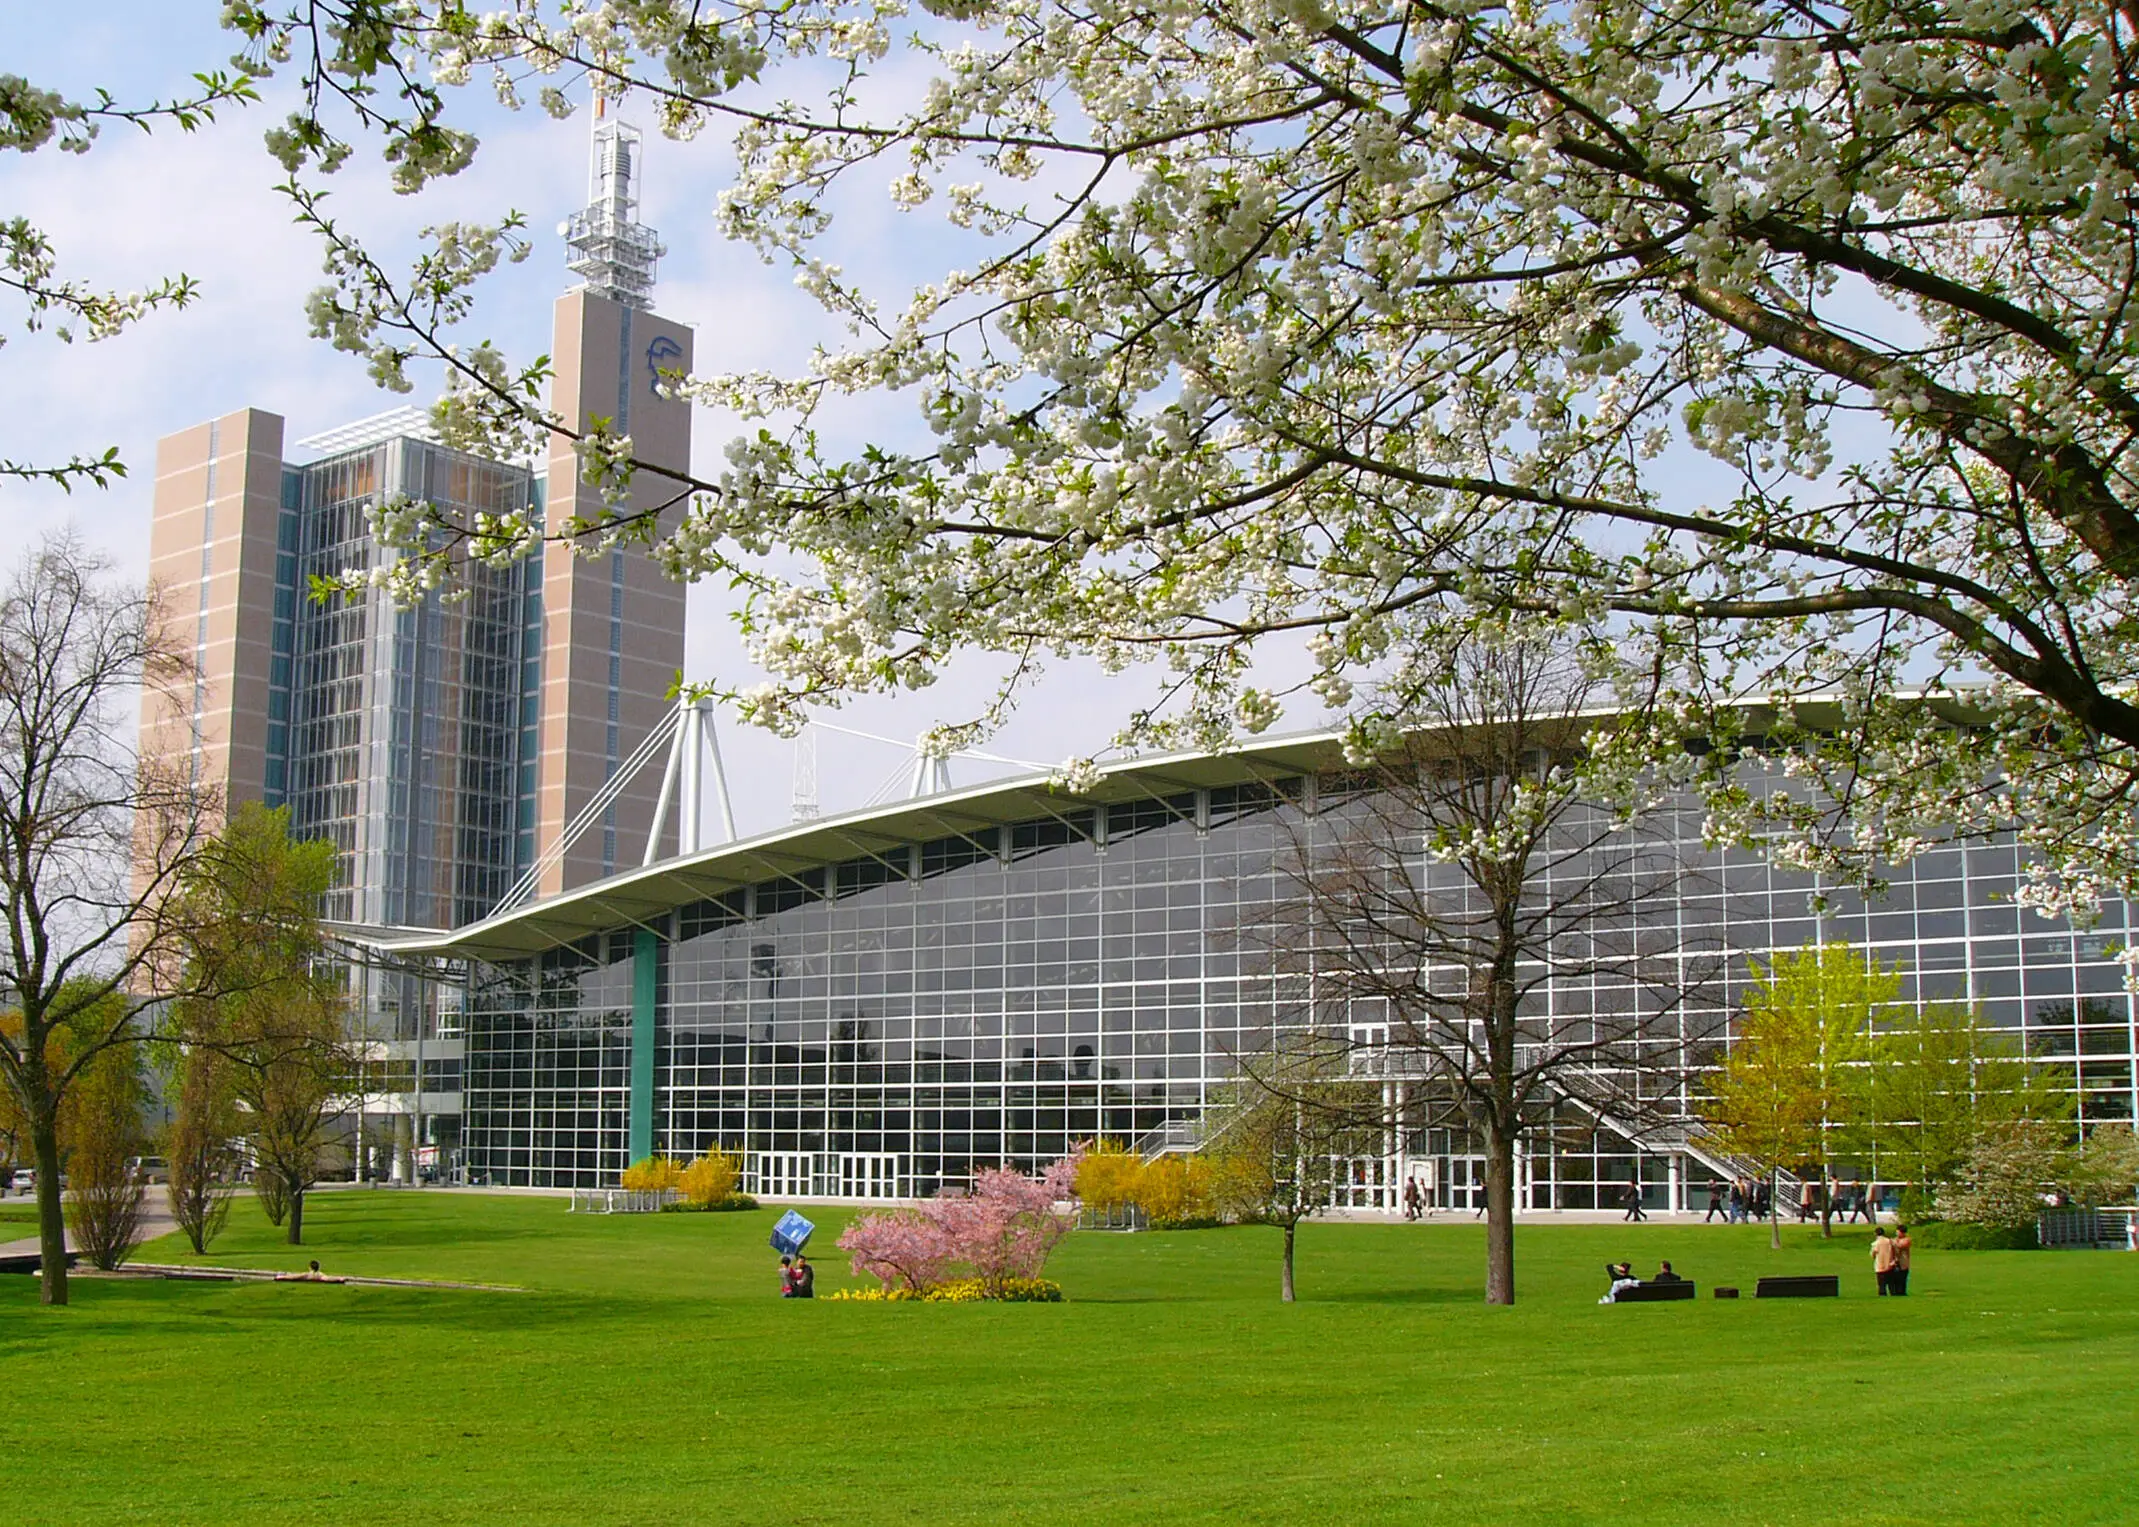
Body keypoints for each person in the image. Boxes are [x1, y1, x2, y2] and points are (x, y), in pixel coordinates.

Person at [1871, 1227, 1897, 1295]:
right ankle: (1893, 1294)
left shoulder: (1876, 1243)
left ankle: (1882, 1294)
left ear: (1875, 1234)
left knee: (1881, 1285)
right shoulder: (1889, 1241)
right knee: (1891, 1283)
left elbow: (1873, 1254)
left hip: (1880, 1266)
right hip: (1890, 1264)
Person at [1891, 1225, 1912, 1296]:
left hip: (1903, 1263)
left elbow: (1900, 1246)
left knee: (1902, 1279)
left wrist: (1894, 1242)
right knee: (1895, 1279)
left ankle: (1902, 1292)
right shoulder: (1895, 1239)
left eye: (1898, 1232)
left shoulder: (1907, 1240)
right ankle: (1895, 1292)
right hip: (1895, 1262)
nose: (1896, 1233)